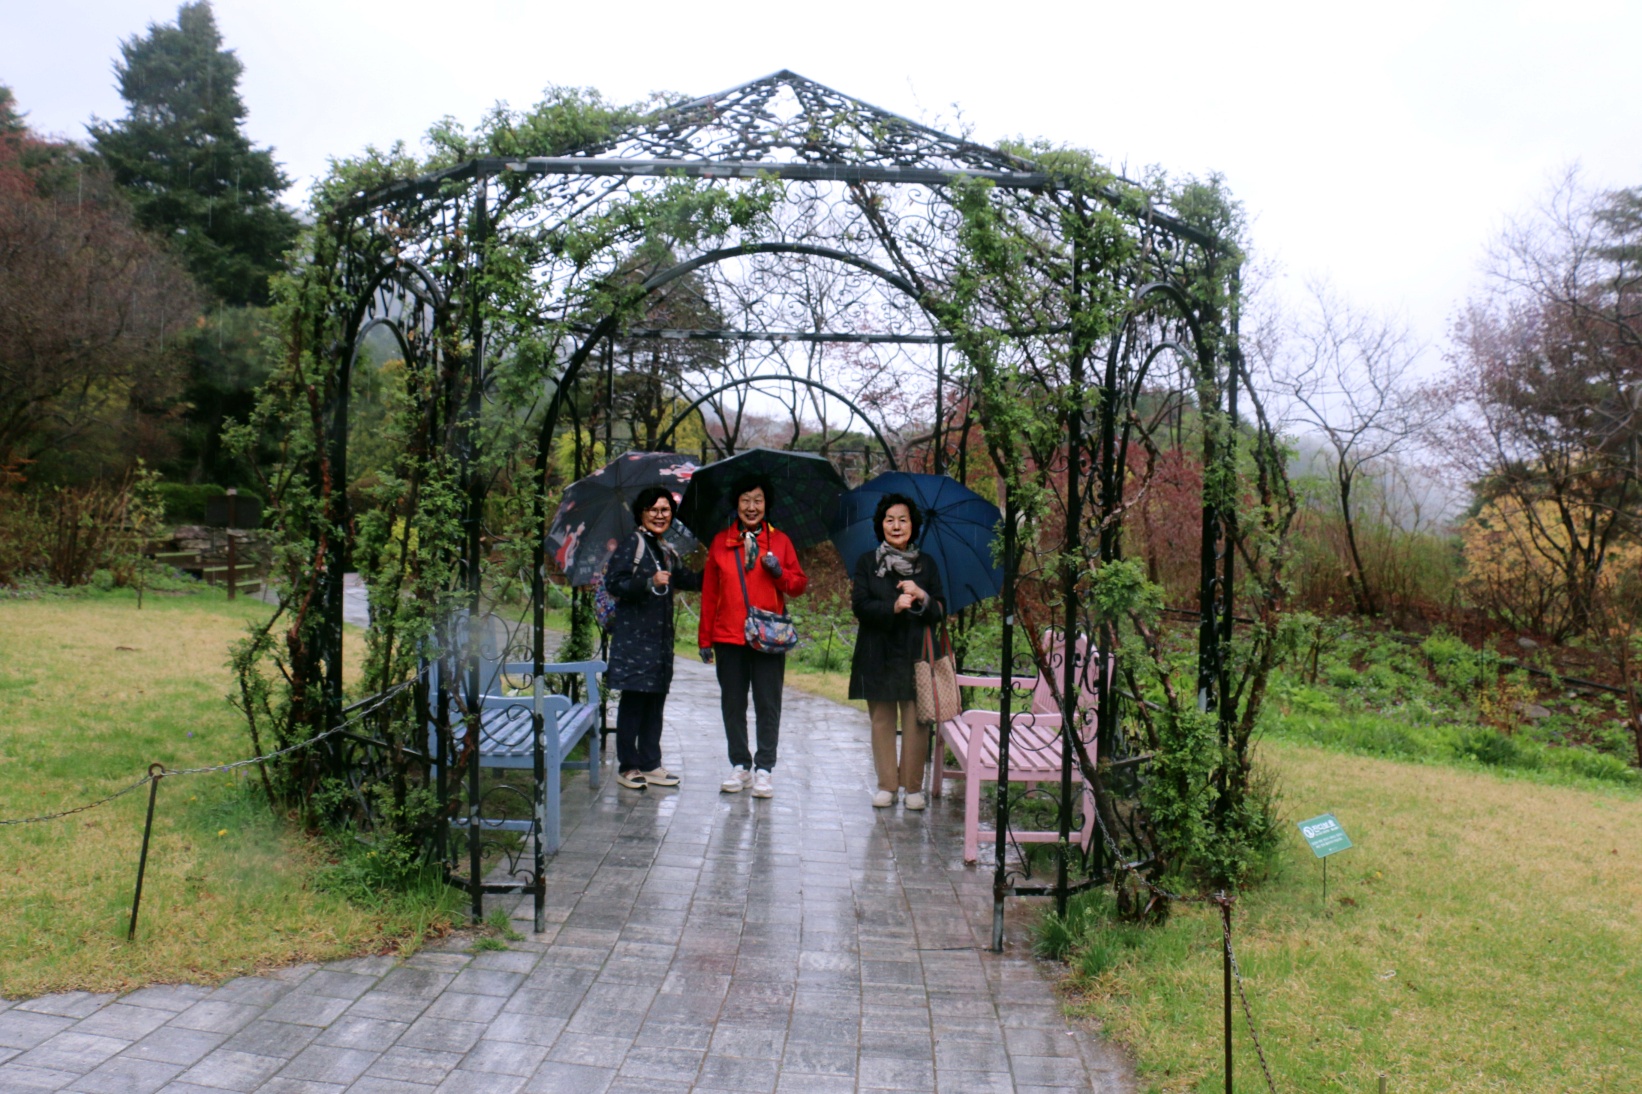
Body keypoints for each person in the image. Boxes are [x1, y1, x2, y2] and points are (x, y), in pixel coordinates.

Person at [697, 475, 808, 798]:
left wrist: (779, 572)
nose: (751, 507)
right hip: (728, 637)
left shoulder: (781, 542)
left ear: (766, 504)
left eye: (758, 500)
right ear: (736, 504)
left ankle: (764, 769)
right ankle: (740, 765)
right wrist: (705, 639)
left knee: (767, 704)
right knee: (732, 704)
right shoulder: (721, 542)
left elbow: (798, 585)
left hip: (768, 639)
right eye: (745, 500)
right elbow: (710, 594)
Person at [848, 493, 945, 810]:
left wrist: (921, 594)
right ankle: (887, 785)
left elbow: (940, 610)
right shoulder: (867, 562)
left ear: (912, 525)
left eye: (903, 519)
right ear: (881, 525)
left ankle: (913, 788)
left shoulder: (926, 564)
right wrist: (893, 606)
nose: (896, 525)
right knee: (882, 721)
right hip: (878, 652)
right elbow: (860, 606)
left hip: (916, 654)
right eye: (890, 520)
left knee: (917, 721)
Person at [602, 486, 702, 790]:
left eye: (665, 510)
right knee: (634, 702)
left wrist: (719, 565)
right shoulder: (632, 544)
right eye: (653, 509)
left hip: (660, 643)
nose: (660, 515)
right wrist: (648, 581)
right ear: (642, 513)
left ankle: (650, 762)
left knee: (655, 703)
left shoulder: (665, 549)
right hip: (634, 641)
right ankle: (628, 766)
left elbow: (688, 579)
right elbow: (614, 583)